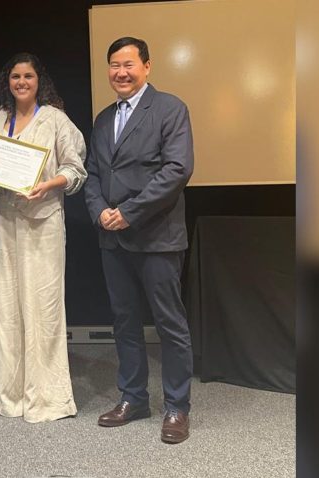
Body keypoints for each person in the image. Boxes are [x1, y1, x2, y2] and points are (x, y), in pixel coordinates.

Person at [83, 36, 195, 444]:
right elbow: (93, 172)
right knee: (125, 322)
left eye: (129, 64)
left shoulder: (170, 108)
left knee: (170, 324)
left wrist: (127, 212)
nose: (121, 72)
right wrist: (98, 211)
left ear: (147, 66)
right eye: (114, 65)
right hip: (112, 239)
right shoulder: (102, 118)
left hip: (157, 238)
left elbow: (177, 169)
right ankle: (134, 398)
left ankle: (177, 406)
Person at [0, 52, 86, 423]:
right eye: (15, 76)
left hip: (43, 222)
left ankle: (46, 396)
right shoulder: (0, 117)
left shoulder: (55, 120)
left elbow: (76, 171)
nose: (21, 82)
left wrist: (49, 185)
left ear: (38, 80)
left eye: (28, 76)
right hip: (6, 222)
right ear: (7, 81)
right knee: (8, 306)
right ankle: (10, 392)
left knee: (42, 308)